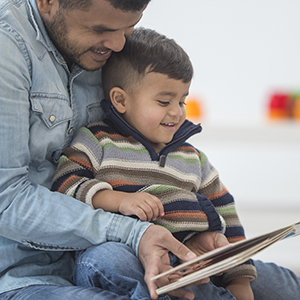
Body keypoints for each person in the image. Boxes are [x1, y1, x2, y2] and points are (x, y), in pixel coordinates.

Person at [51, 27, 300, 300]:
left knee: (282, 283)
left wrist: (238, 280)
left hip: (195, 261)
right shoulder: (97, 141)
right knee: (105, 260)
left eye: (182, 100)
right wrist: (117, 199)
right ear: (120, 100)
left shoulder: (192, 158)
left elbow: (227, 216)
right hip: (131, 255)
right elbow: (65, 184)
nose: (176, 112)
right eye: (163, 101)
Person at [0, 1, 223, 299]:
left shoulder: (107, 47)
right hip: (23, 275)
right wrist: (133, 232)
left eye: (129, 26)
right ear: (48, 2)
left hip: (109, 255)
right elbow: (6, 200)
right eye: (101, 29)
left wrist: (189, 234)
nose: (119, 44)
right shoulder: (8, 48)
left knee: (276, 283)